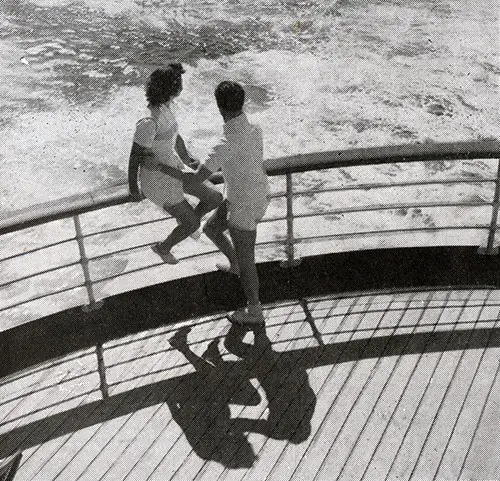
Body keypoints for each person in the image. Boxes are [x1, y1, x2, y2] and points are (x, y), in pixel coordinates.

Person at [185, 81, 270, 326]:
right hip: (255, 194)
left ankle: (255, 311)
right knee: (212, 228)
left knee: (248, 261)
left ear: (219, 107)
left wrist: (166, 171)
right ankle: (234, 263)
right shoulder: (255, 129)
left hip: (243, 204)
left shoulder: (223, 144)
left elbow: (195, 181)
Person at [128, 64, 223, 264]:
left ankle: (188, 222)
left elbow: (175, 135)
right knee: (192, 221)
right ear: (173, 89)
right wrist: (133, 188)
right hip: (157, 179)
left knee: (214, 197)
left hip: (173, 167)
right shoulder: (148, 122)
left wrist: (187, 158)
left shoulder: (165, 108)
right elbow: (135, 156)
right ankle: (163, 248)